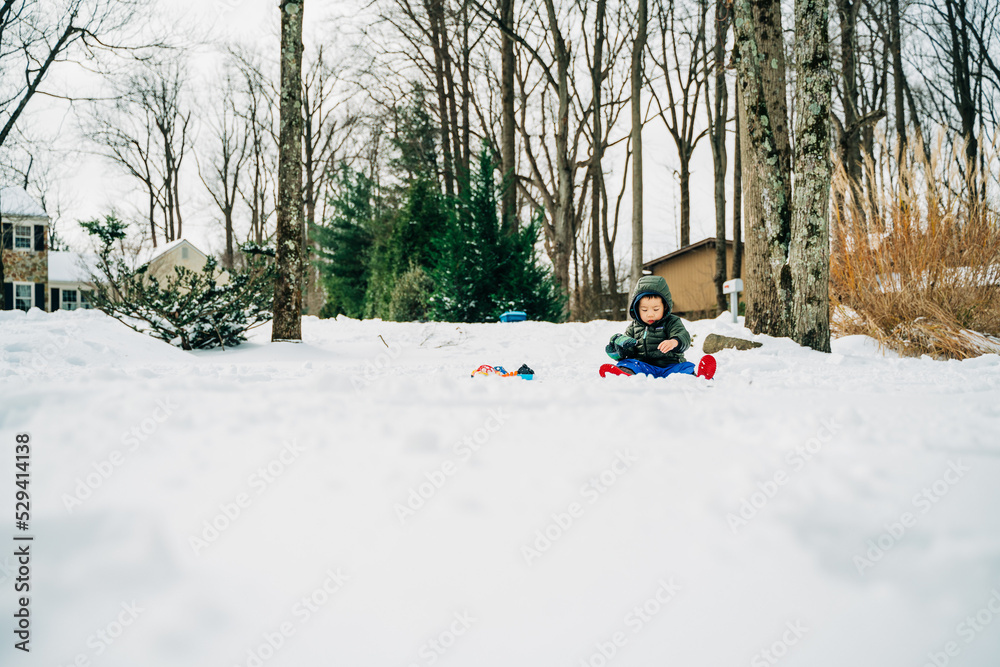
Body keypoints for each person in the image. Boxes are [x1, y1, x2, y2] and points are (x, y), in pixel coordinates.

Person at [600, 275, 716, 379]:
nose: (650, 314)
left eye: (656, 309)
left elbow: (683, 337)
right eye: (644, 310)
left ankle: (701, 377)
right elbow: (630, 353)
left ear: (665, 307)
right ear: (636, 308)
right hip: (644, 367)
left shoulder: (672, 322)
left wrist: (674, 342)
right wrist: (620, 350)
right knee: (629, 363)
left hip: (670, 365)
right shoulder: (633, 327)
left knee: (685, 367)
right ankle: (622, 373)